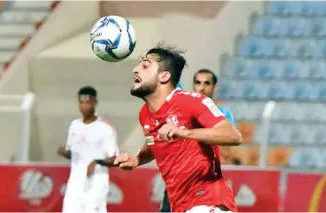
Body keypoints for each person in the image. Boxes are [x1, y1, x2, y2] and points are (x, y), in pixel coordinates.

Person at [114, 44, 243, 213]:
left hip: (208, 200)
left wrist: (184, 132)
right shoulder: (145, 114)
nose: (136, 70)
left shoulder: (190, 101)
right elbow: (155, 143)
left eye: (145, 65)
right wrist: (137, 160)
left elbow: (233, 136)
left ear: (164, 76)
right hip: (180, 206)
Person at [160, 69, 237, 212]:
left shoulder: (222, 115)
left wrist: (198, 132)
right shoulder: (182, 109)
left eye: (207, 83)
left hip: (203, 182)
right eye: (198, 83)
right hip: (177, 181)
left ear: (215, 87)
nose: (201, 87)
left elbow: (226, 153)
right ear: (193, 85)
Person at [57, 86, 119, 213]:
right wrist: (65, 152)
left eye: (88, 102)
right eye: (81, 102)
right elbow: (74, 154)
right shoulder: (74, 125)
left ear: (95, 103)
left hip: (95, 185)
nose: (84, 106)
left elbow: (114, 159)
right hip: (75, 184)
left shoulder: (105, 128)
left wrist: (97, 162)